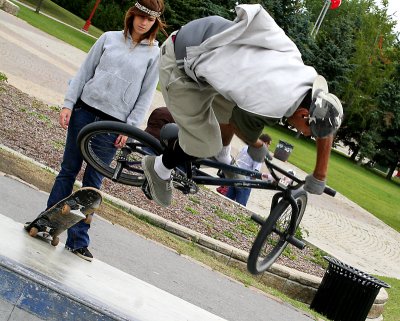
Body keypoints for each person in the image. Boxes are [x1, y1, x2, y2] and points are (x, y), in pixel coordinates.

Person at [142, 4, 343, 208]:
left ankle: (222, 156)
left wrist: (320, 174)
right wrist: (258, 147)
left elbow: (326, 121)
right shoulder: (271, 104)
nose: (309, 135)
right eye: (310, 131)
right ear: (302, 114)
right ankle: (159, 168)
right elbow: (241, 129)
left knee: (230, 110)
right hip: (181, 62)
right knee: (204, 144)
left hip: (210, 42)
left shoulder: (304, 76)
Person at [27, 0, 167, 261]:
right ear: (132, 15)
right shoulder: (108, 39)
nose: (143, 22)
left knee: (93, 184)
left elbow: (146, 95)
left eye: (150, 19)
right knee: (67, 170)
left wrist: (130, 127)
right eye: (140, 16)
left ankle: (78, 240)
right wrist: (68, 104)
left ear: (155, 23)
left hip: (111, 125)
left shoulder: (154, 55)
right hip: (84, 112)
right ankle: (47, 224)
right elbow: (84, 72)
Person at [226, 134, 273, 206]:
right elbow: (255, 173)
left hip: (235, 177)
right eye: (269, 144)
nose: (268, 147)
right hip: (245, 182)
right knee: (240, 206)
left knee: (227, 202)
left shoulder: (246, 147)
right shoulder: (260, 154)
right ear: (265, 143)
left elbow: (238, 160)